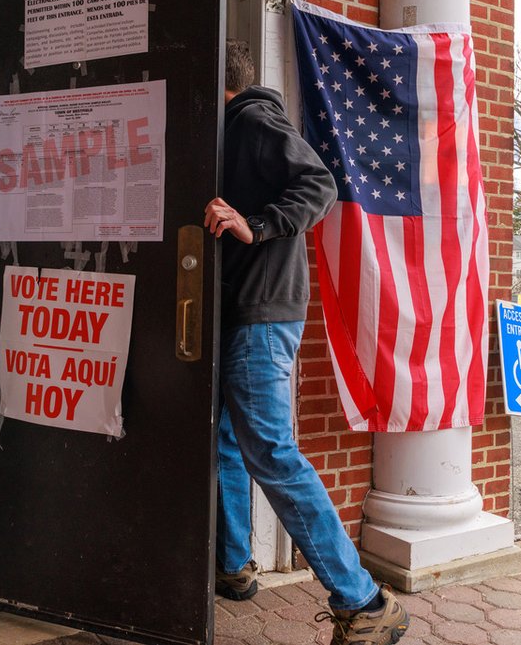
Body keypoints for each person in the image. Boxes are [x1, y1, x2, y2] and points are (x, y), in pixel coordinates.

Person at [203, 40, 408, 645]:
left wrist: (256, 224)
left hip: (261, 319)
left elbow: (317, 184)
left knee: (271, 451)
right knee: (230, 441)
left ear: (222, 82)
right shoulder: (232, 133)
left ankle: (365, 602)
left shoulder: (252, 119)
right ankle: (234, 564)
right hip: (249, 314)